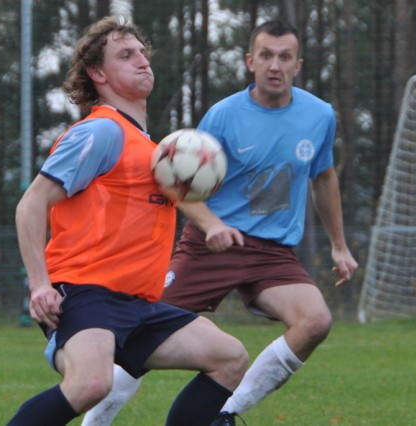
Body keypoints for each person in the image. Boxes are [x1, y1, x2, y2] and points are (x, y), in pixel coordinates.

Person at [82, 19, 358, 425]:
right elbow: (178, 184)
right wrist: (211, 224)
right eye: (266, 55)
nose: (274, 65)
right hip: (211, 244)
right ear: (250, 61)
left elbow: (324, 176)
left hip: (273, 253)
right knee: (139, 336)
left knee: (315, 321)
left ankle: (225, 415)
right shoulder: (223, 115)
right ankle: (94, 423)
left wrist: (339, 244)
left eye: (284, 57)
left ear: (298, 65)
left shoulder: (319, 116)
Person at [7, 16, 248, 426]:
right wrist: (40, 285)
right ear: (98, 73)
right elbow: (30, 204)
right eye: (125, 55)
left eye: (141, 53)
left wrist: (212, 226)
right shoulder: (101, 132)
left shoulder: (149, 147)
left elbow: (178, 197)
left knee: (230, 358)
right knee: (91, 384)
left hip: (138, 304)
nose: (142, 61)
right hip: (86, 293)